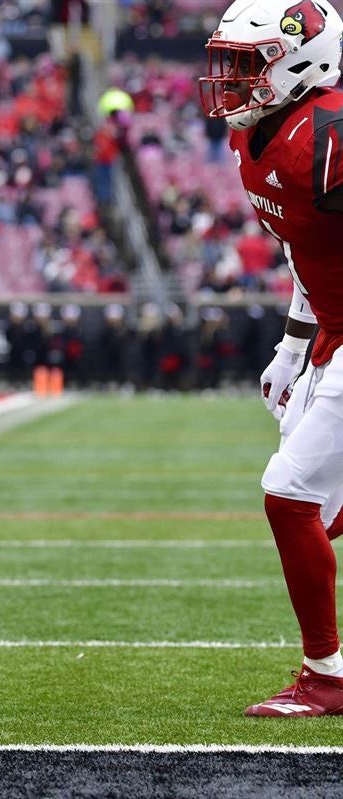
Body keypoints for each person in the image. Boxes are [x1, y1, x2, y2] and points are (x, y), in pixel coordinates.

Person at [199, 0, 343, 715]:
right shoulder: (254, 136)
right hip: (331, 332)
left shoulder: (328, 137)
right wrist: (291, 348)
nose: (227, 81)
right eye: (225, 63)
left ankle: (326, 673)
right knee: (322, 504)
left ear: (300, 62)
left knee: (290, 491)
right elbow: (307, 252)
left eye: (245, 65)